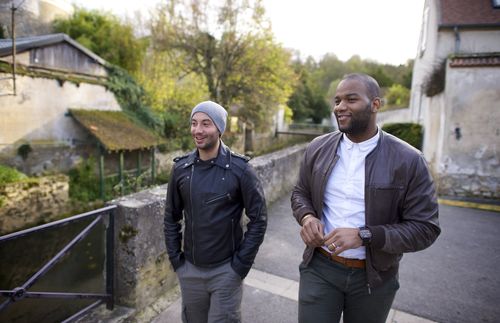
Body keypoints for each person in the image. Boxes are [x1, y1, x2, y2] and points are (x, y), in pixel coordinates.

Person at [290, 73, 441, 323]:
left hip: (375, 278)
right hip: (320, 268)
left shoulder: (409, 160)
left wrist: (365, 235)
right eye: (337, 101)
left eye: (351, 99)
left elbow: (425, 228)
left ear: (375, 104)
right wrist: (306, 217)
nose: (340, 107)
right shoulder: (318, 147)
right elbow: (300, 193)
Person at [164, 101, 267, 323]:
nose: (198, 130)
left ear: (219, 128)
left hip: (226, 271)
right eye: (194, 123)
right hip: (190, 270)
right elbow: (171, 217)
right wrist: (177, 261)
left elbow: (259, 220)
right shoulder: (181, 169)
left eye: (206, 124)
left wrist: (239, 266)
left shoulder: (241, 170)